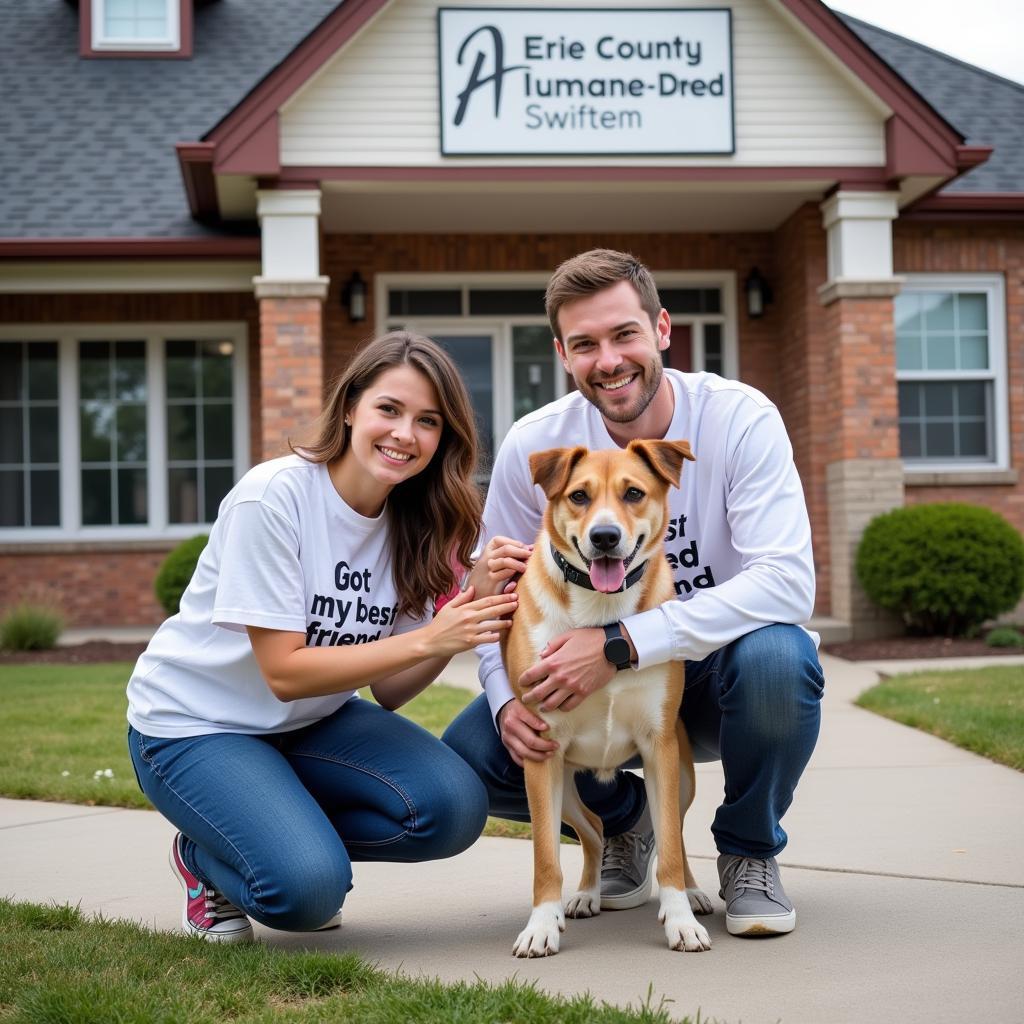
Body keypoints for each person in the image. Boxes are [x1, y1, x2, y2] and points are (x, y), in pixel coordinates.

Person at [443, 250, 824, 937]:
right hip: (574, 666)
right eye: (585, 344)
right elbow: (498, 595)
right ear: (563, 353)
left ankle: (748, 850)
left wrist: (621, 644)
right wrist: (504, 702)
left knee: (780, 658)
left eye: (624, 334)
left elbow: (789, 582)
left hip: (717, 675)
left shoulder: (738, 420)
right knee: (473, 754)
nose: (608, 359)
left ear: (663, 330)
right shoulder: (537, 443)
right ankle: (628, 824)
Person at [127, 331, 517, 943]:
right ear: (350, 407)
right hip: (197, 726)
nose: (404, 434)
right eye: (388, 409)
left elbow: (389, 689)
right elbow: (283, 672)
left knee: (454, 808)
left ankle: (273, 829)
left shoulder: (417, 520)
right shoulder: (273, 498)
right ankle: (205, 858)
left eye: (428, 421)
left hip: (311, 722)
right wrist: (432, 637)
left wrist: (465, 611)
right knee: (304, 895)